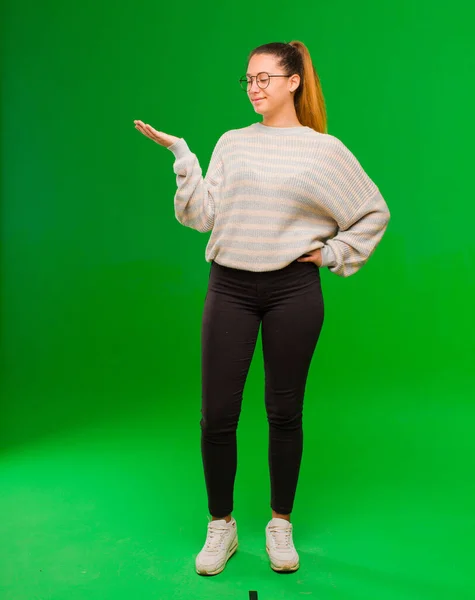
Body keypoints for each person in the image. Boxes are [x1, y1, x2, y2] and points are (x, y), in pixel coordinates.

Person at [134, 40, 391, 577]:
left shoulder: (323, 150)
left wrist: (334, 253)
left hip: (293, 292)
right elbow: (202, 217)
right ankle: (221, 526)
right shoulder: (232, 143)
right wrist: (185, 158)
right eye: (248, 79)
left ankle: (280, 524)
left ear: (294, 81)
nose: (254, 87)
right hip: (229, 288)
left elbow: (372, 212)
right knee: (218, 416)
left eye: (265, 77)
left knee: (284, 412)